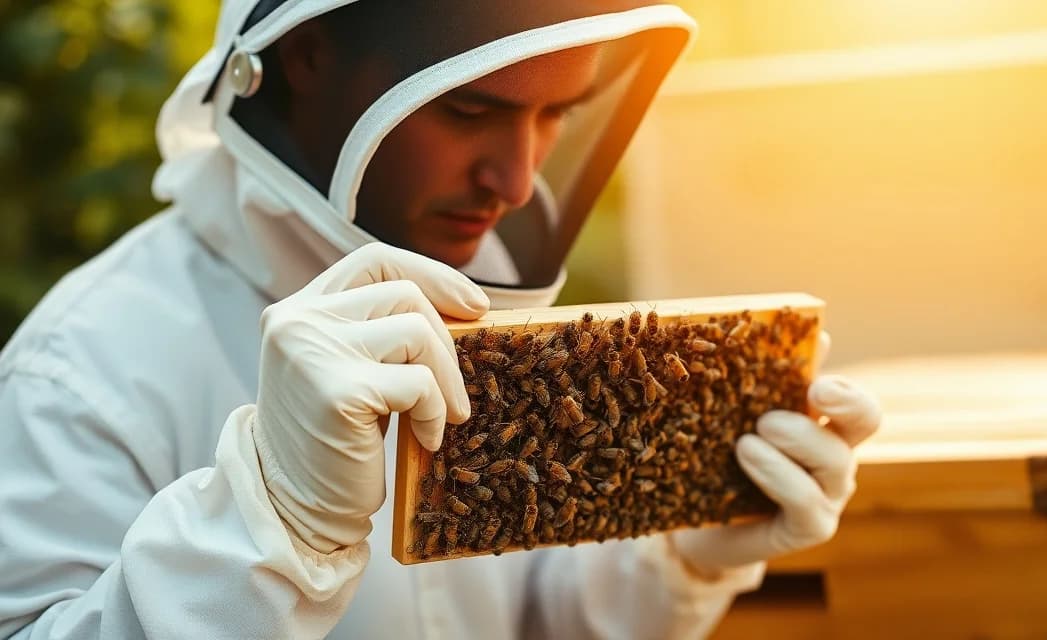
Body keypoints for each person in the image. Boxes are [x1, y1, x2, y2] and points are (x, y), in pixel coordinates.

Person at [0, 1, 882, 638]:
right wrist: (268, 525)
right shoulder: (83, 367)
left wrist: (682, 555)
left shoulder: (483, 290)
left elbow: (541, 620)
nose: (517, 178)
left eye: (556, 116)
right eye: (471, 111)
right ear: (305, 56)